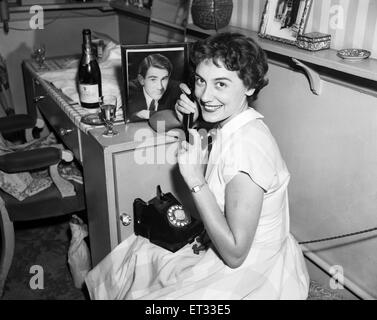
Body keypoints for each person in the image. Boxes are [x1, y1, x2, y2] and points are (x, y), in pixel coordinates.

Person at [85, 32, 309, 300]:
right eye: (201, 81)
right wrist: (186, 117)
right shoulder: (236, 124)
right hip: (238, 247)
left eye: (221, 84)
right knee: (140, 249)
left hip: (251, 271)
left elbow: (236, 254)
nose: (205, 95)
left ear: (250, 87)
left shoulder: (247, 151)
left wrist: (195, 180)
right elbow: (156, 120)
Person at [127, 53, 181, 122]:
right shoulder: (130, 91)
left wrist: (150, 114)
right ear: (141, 80)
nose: (160, 87)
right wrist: (136, 115)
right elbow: (128, 117)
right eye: (153, 79)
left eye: (164, 79)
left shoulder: (176, 90)